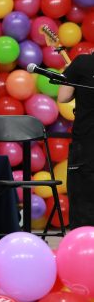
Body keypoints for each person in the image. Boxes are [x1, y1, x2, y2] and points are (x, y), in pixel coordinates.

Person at [57, 52, 94, 229]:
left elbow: (63, 97)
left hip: (87, 140)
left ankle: (84, 240)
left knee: (83, 196)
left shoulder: (82, 62)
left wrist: (71, 74)